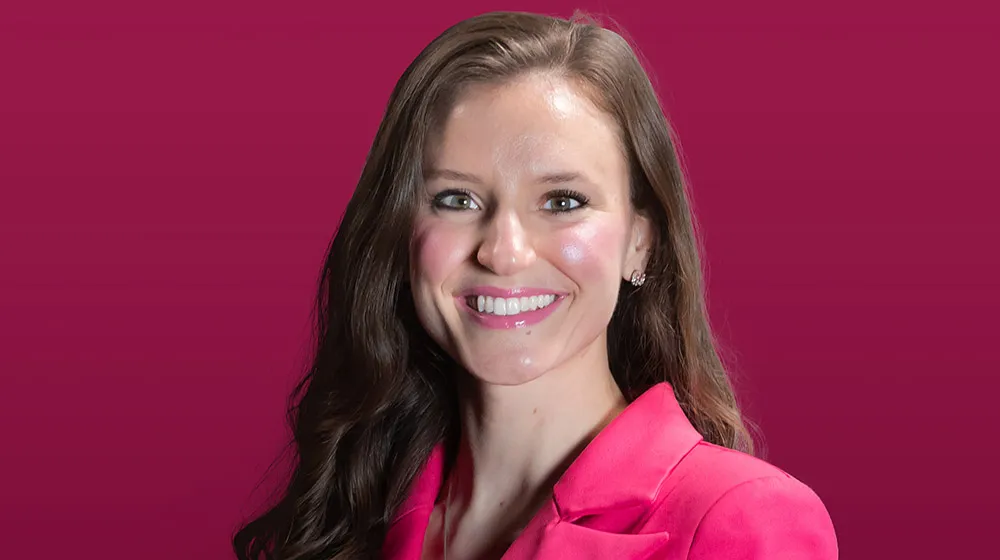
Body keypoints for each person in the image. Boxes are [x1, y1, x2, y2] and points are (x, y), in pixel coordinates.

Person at [233, 10, 838, 560]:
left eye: (562, 200)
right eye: (457, 198)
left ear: (640, 241)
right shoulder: (352, 516)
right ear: (400, 233)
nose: (502, 252)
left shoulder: (740, 520)